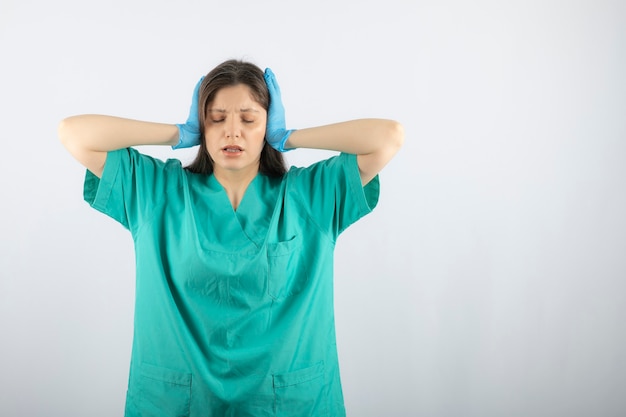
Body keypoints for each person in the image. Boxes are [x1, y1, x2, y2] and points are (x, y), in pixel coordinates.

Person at [58, 59, 404, 417]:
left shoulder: (310, 196)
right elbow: (73, 133)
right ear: (202, 127)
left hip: (288, 404)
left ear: (267, 127)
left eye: (250, 119)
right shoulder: (155, 192)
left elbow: (389, 136)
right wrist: (177, 133)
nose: (232, 132)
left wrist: (290, 137)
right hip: (179, 403)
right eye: (217, 118)